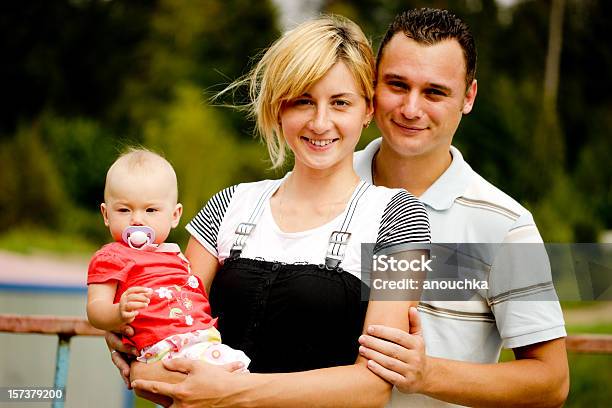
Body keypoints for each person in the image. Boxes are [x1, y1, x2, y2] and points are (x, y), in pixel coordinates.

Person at [118, 16, 431, 407]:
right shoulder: (227, 205)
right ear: (278, 108)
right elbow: (161, 336)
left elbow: (373, 386)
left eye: (340, 103)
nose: (320, 122)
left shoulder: (403, 220)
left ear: (367, 109)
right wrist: (128, 336)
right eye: (303, 100)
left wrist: (232, 393)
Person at [354, 8, 569, 407]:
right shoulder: (319, 185)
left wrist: (427, 374)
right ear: (373, 84)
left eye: (434, 92)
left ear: (468, 97)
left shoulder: (506, 226)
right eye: (397, 85)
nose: (411, 109)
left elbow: (551, 380)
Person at [87, 149, 250, 406]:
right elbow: (96, 310)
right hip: (161, 347)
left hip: (202, 339)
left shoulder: (176, 256)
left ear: (174, 215)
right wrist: (118, 313)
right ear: (106, 215)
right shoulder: (111, 256)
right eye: (124, 210)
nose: (137, 219)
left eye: (151, 210)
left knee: (236, 380)